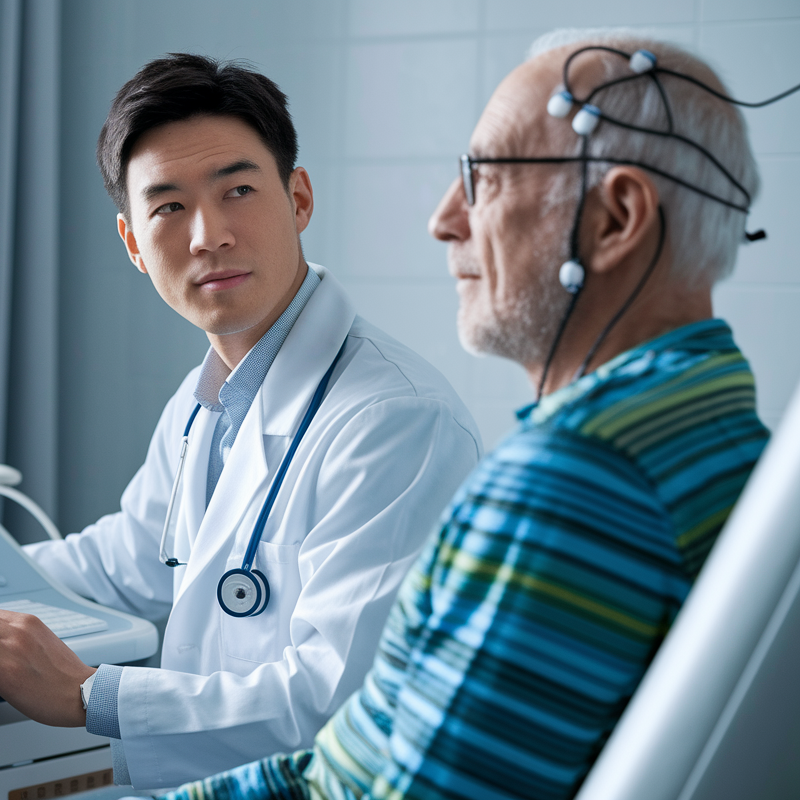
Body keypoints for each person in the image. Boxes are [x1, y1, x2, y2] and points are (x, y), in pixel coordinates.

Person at [146, 30, 772, 800]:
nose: (445, 220)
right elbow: (354, 758)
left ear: (616, 221)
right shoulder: (712, 434)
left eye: (486, 179)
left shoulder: (577, 480)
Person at [0, 54, 481, 788]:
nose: (207, 235)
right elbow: (128, 558)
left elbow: (341, 700)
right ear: (133, 244)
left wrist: (88, 695)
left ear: (299, 199)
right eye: (167, 207)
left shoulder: (394, 420)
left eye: (238, 190)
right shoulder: (209, 402)